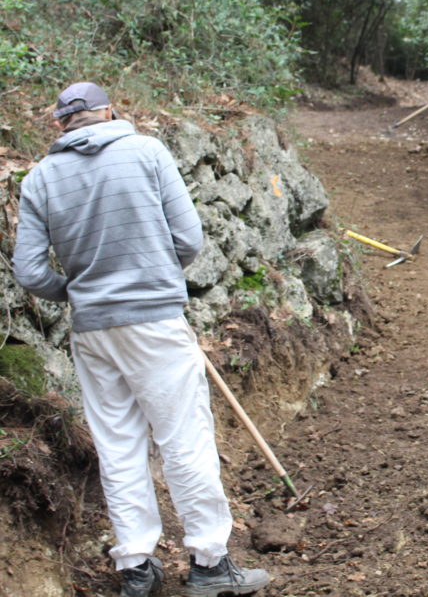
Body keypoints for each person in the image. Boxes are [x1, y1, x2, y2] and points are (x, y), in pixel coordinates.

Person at [13, 82, 270, 597]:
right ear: (110, 111)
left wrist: (77, 292)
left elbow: (29, 272)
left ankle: (136, 567)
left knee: (118, 445)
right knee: (183, 438)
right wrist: (154, 276)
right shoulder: (147, 151)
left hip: (92, 331)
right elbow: (188, 239)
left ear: (60, 122)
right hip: (154, 320)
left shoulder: (40, 177)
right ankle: (209, 563)